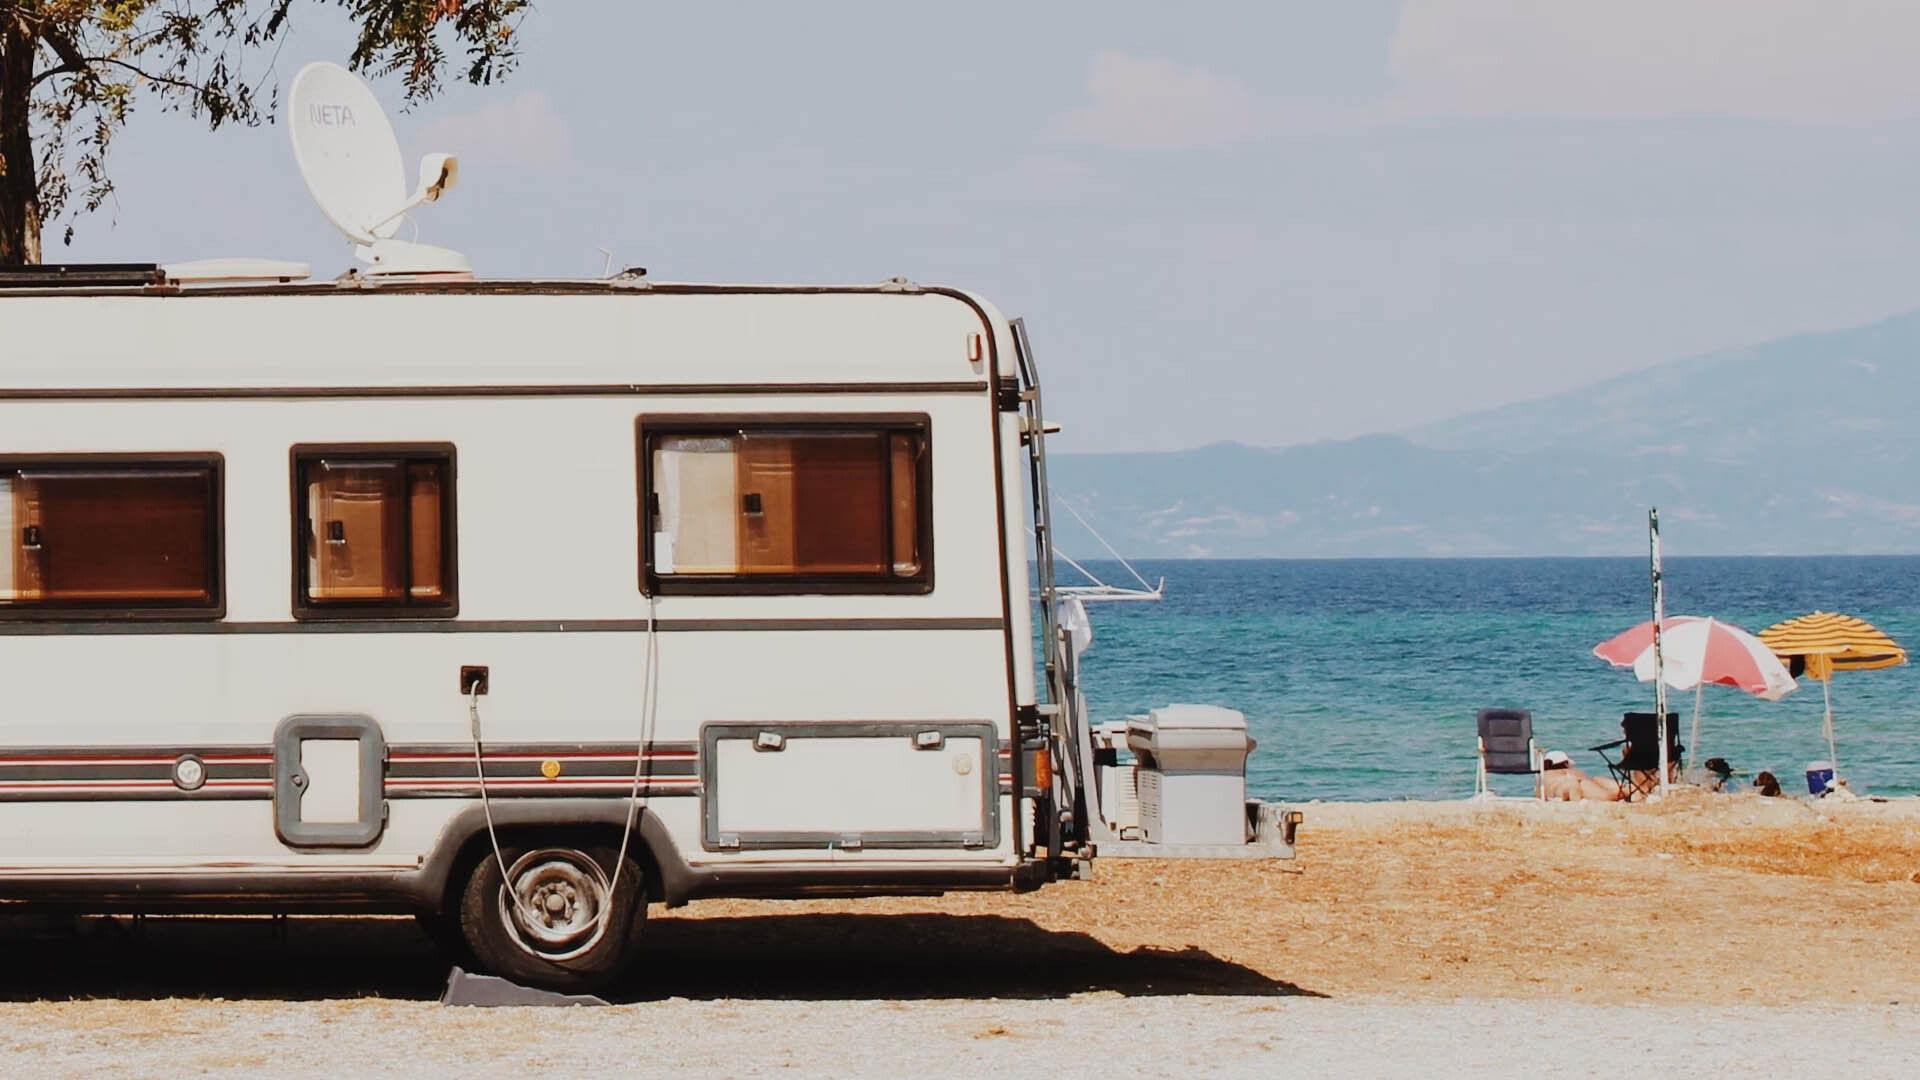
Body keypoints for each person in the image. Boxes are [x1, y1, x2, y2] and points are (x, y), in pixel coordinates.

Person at [1539, 749, 1625, 801]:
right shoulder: (1567, 771)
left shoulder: (1543, 777)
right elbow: (1583, 777)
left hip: (1558, 791)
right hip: (1571, 784)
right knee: (1608, 793)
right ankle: (1627, 789)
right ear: (1565, 764)